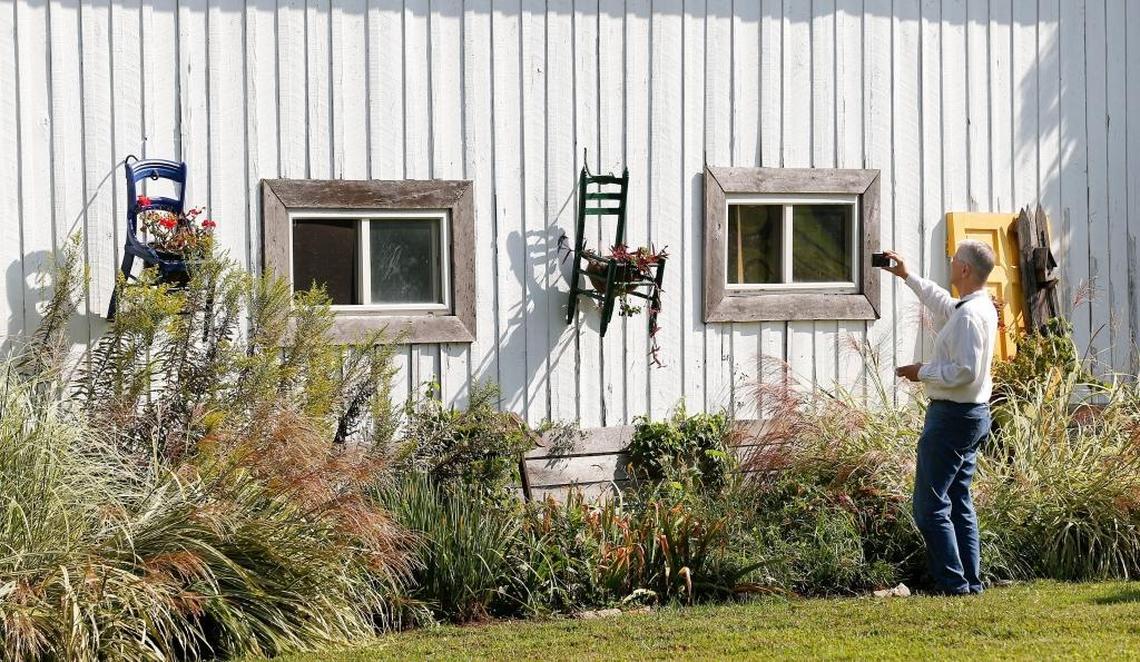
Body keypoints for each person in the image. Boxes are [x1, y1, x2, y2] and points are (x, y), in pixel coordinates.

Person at [879, 242, 998, 596]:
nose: (950, 262)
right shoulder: (976, 307)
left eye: (954, 259)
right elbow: (944, 305)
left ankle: (954, 585)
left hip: (953, 418)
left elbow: (965, 372)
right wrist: (906, 275)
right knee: (958, 500)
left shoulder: (970, 316)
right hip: (970, 415)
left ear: (964, 269)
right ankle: (968, 583)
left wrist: (922, 371)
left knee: (929, 506)